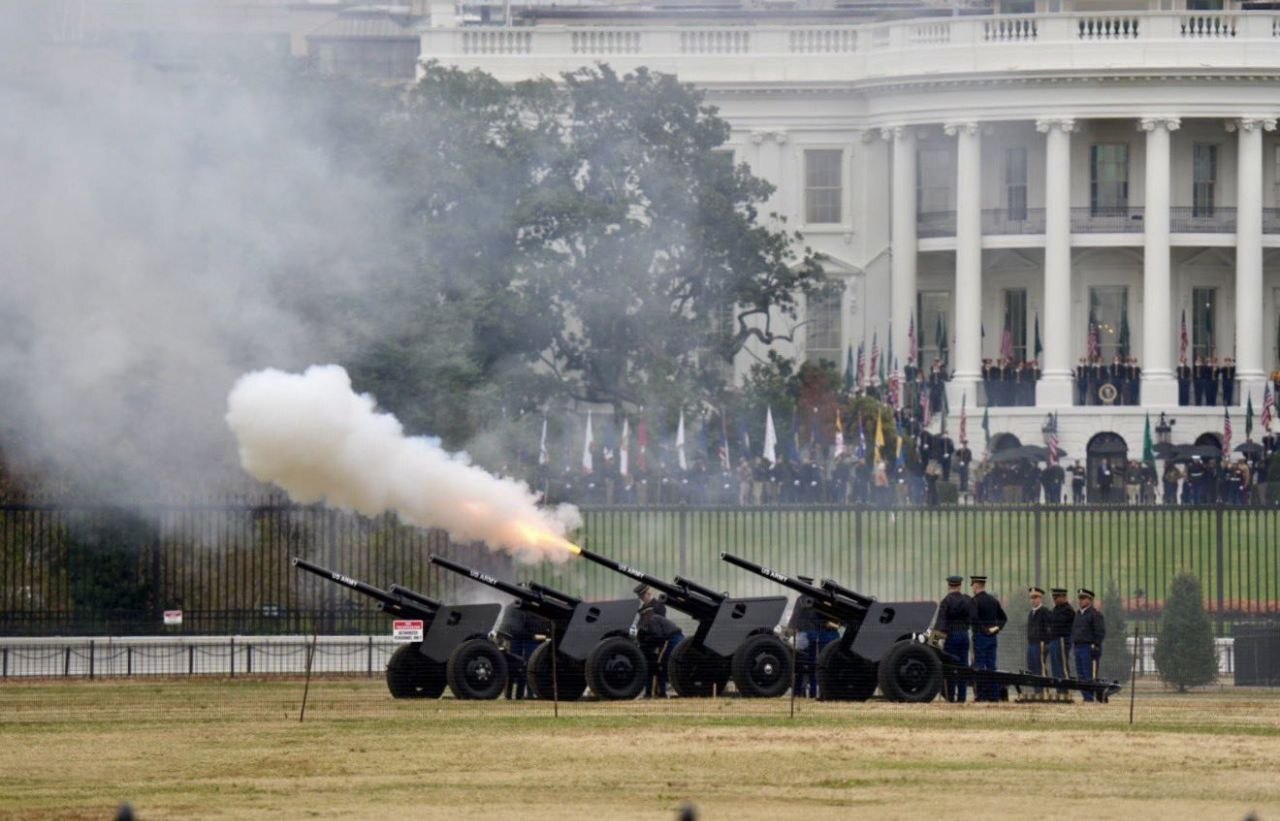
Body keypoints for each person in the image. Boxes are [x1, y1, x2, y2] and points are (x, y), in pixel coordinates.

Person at [634, 583, 683, 697]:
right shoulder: (645, 611)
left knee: (659, 665)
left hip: (664, 640)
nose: (641, 599)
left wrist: (648, 645)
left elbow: (657, 633)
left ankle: (659, 692)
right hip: (657, 641)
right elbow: (643, 629)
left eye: (642, 596)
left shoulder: (657, 609)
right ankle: (654, 692)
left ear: (648, 593)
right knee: (653, 666)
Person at [934, 575, 974, 703]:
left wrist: (932, 641)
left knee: (951, 666)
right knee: (963, 666)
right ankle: (962, 697)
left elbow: (940, 622)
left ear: (949, 585)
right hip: (964, 635)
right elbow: (972, 618)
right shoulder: (968, 600)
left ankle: (951, 697)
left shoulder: (946, 601)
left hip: (951, 636)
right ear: (959, 585)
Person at [969, 575, 1007, 702]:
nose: (972, 588)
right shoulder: (993, 601)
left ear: (976, 585)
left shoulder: (974, 601)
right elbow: (1003, 618)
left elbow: (974, 619)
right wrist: (996, 628)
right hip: (992, 637)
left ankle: (981, 695)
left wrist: (983, 629)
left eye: (973, 585)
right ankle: (994, 696)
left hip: (980, 637)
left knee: (980, 666)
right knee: (991, 666)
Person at [1071, 587, 1106, 702]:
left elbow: (1100, 632)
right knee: (1081, 675)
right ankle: (1086, 698)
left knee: (1089, 675)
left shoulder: (1095, 614)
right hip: (1078, 647)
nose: (1080, 600)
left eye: (1083, 598)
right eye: (1079, 598)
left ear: (1090, 600)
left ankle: (1092, 698)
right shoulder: (1078, 614)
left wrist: (1096, 645)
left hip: (1088, 647)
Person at [1046, 587, 1075, 695]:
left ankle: (1065, 691)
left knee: (1062, 666)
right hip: (1054, 640)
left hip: (1062, 640)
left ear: (1063, 597)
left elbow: (1062, 625)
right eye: (1053, 597)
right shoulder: (1055, 609)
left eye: (1056, 597)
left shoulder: (1068, 610)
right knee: (1055, 667)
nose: (1054, 599)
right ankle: (1059, 690)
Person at [1026, 587, 1051, 694]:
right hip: (1031, 643)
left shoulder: (1045, 611)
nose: (1033, 600)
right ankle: (1037, 690)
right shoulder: (1031, 613)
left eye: (1035, 597)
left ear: (1040, 598)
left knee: (1040, 667)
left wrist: (1046, 643)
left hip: (1040, 643)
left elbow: (1049, 628)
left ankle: (1044, 691)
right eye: (1031, 598)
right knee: (1032, 666)